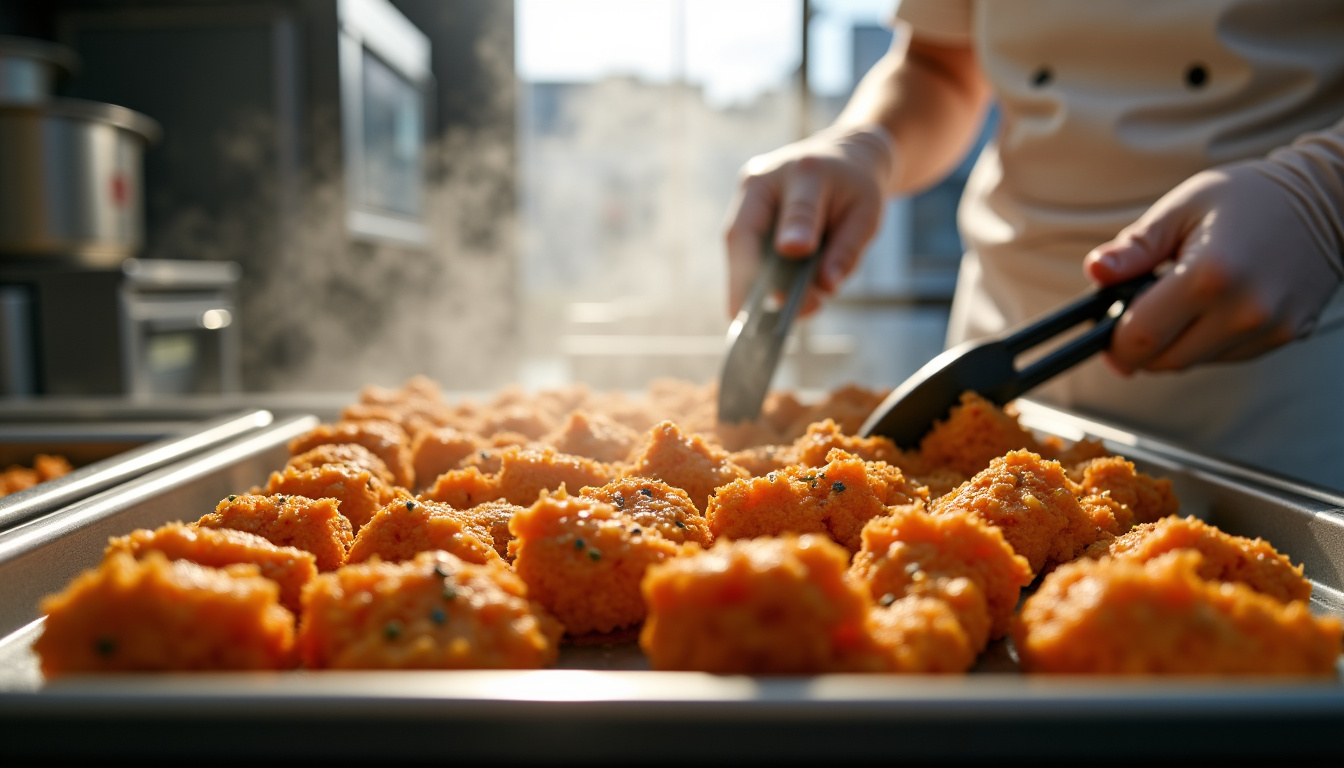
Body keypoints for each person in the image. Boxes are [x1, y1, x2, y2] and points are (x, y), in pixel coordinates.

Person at [724, 0, 1344, 491]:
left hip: (1268, 390)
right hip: (999, 353)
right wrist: (866, 143)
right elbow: (939, 64)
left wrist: (1325, 189)